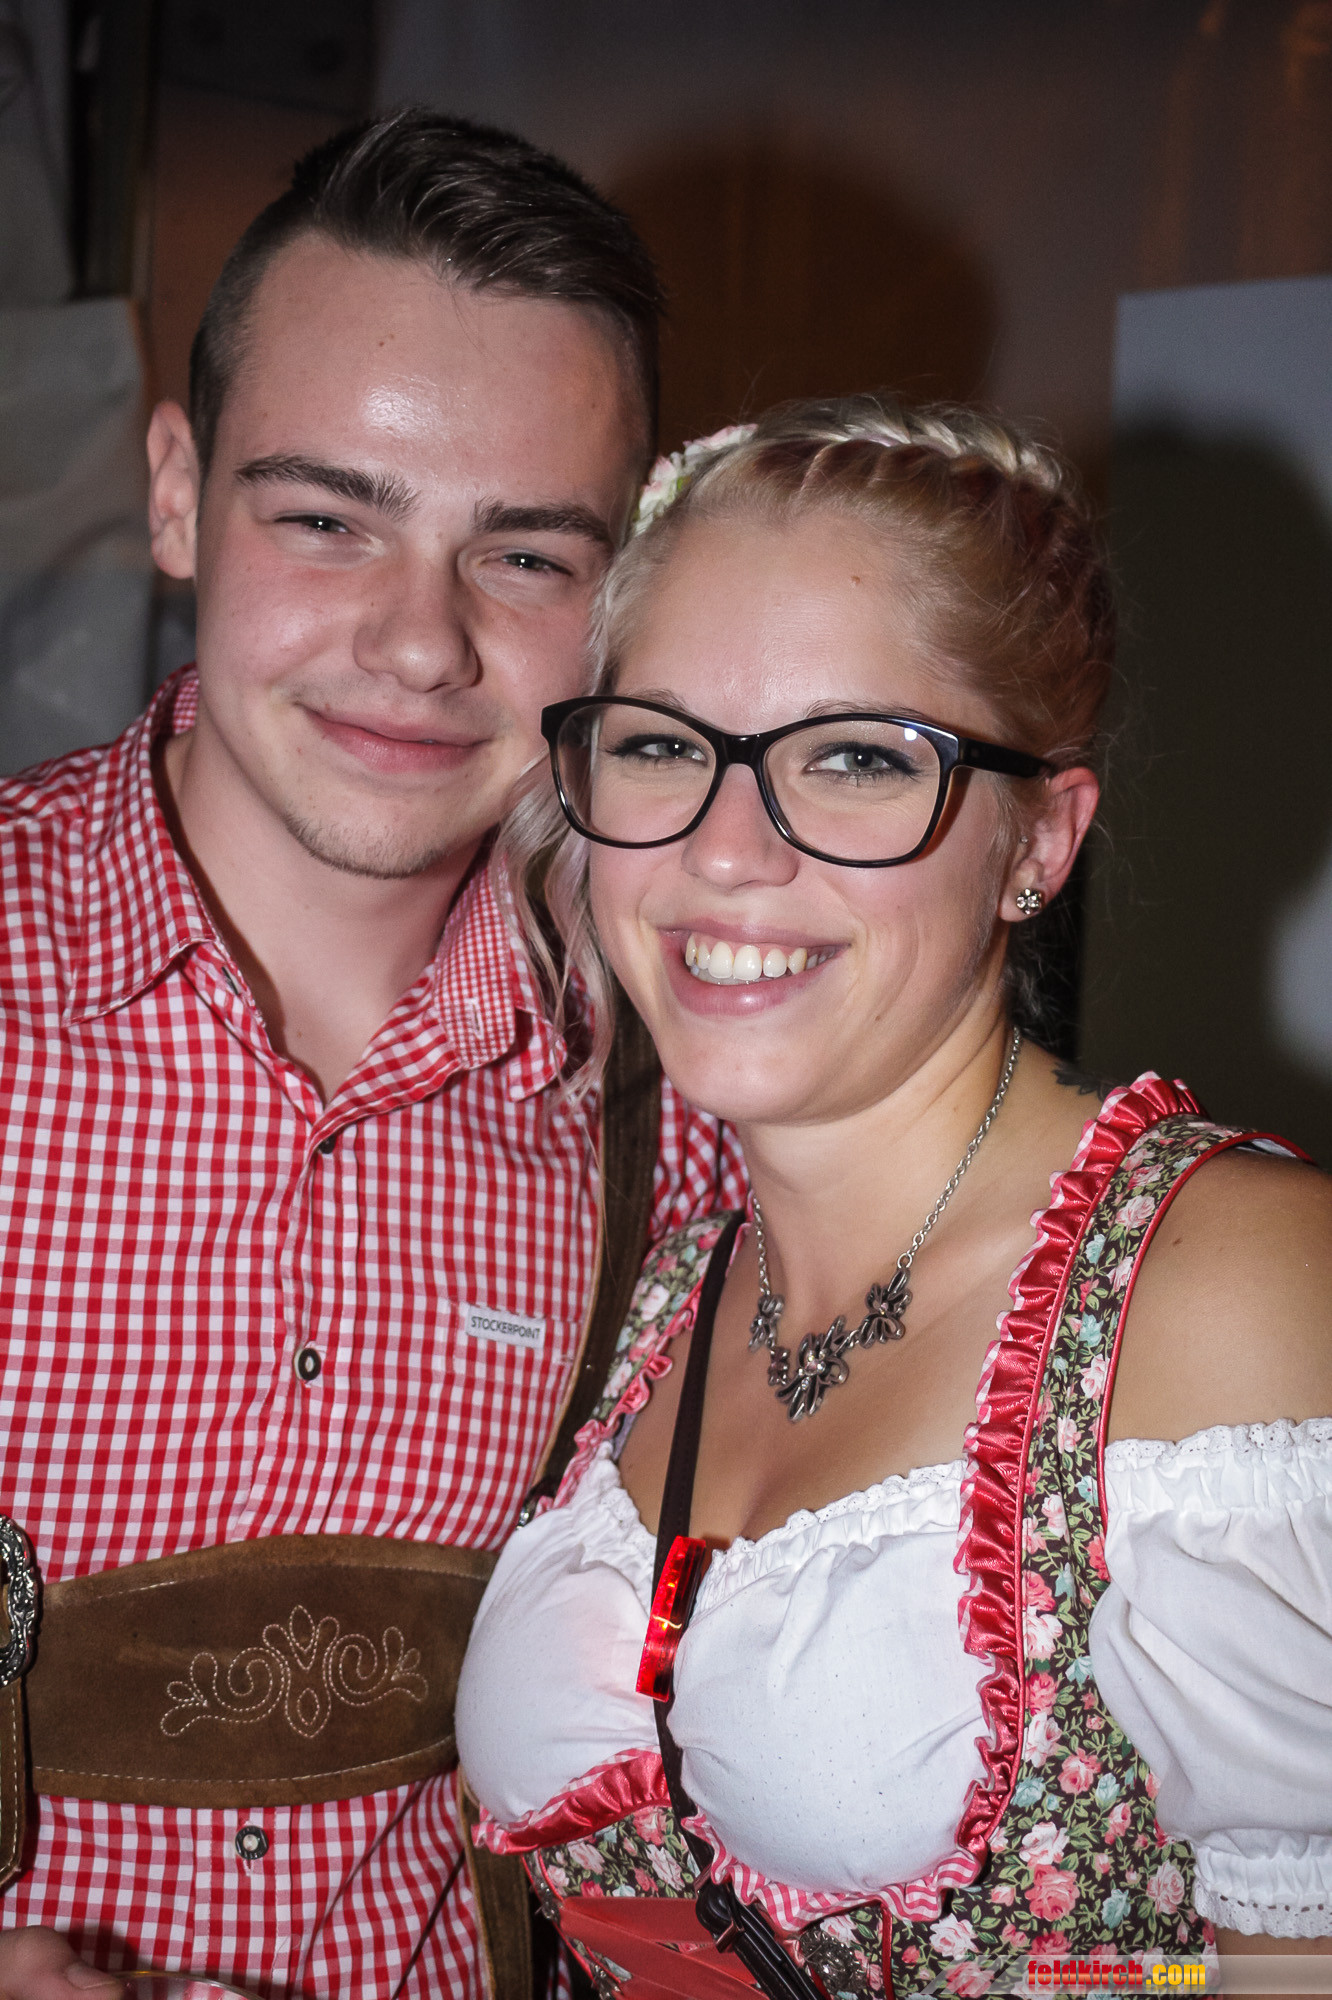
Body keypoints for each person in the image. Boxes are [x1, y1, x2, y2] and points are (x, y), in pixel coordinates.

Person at [0, 110, 743, 1999]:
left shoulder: (686, 1110)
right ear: (178, 495)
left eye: (526, 554)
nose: (421, 646)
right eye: (328, 520)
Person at [456, 398, 1332, 1996]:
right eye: (659, 745)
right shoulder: (666, 1288)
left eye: (856, 759)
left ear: (1039, 840)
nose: (727, 852)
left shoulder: (1229, 1289)